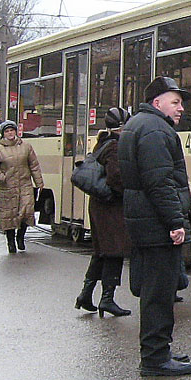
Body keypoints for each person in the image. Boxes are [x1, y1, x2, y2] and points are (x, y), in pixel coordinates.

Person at [118, 77, 191, 377]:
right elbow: (159, 182)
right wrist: (175, 221)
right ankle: (155, 357)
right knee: (159, 292)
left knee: (154, 289)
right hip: (156, 224)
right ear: (157, 102)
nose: (181, 108)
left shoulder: (139, 125)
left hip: (144, 221)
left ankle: (158, 350)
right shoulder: (155, 130)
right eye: (175, 102)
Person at [74, 107, 133, 317]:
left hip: (99, 205)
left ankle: (86, 294)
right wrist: (129, 192)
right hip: (111, 206)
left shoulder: (102, 142)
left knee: (101, 251)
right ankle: (107, 299)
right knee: (114, 251)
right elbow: (116, 177)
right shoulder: (115, 146)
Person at [0, 120, 44, 254]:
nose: (10, 133)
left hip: (25, 185)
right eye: (7, 131)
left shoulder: (26, 146)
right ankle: (10, 241)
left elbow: (34, 165)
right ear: (3, 134)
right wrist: (1, 177)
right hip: (7, 186)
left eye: (12, 130)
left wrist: (39, 183)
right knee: (9, 215)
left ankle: (21, 237)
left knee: (26, 212)